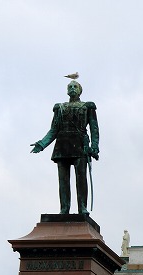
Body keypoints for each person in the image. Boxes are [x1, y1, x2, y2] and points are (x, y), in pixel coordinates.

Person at [31, 78, 100, 215]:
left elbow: (94, 129)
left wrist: (94, 147)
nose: (72, 88)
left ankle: (82, 208)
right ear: (67, 91)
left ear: (80, 90)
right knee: (63, 180)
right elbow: (54, 130)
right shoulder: (60, 108)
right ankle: (64, 208)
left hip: (80, 145)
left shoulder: (88, 106)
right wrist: (42, 143)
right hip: (62, 145)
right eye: (70, 86)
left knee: (81, 178)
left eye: (75, 86)